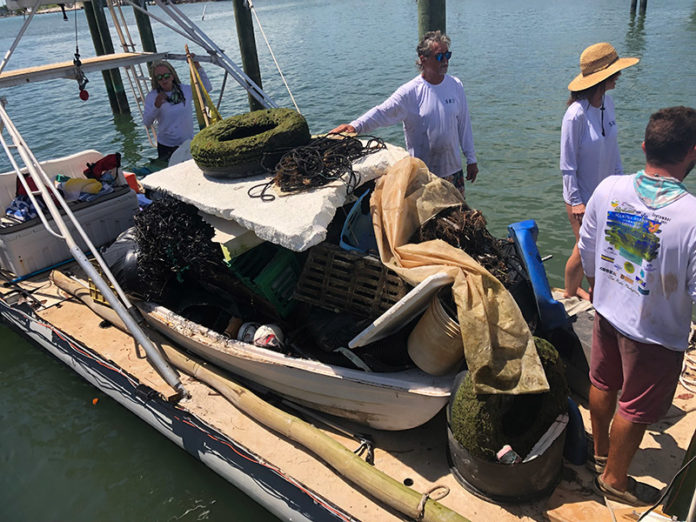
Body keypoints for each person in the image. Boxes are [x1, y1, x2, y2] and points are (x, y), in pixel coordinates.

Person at [578, 106, 696, 506]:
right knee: (636, 405)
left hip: (607, 314)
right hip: (655, 334)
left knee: (603, 382)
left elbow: (588, 250)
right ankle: (614, 478)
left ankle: (598, 453)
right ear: (692, 153)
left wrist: (604, 291)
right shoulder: (692, 216)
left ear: (645, 146)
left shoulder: (608, 189)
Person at [329, 30, 478, 195]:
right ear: (423, 59)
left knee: (459, 218)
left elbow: (464, 125)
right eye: (439, 56)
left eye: (447, 55)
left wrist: (471, 159)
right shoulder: (410, 92)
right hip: (423, 175)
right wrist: (355, 126)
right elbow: (382, 112)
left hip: (453, 171)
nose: (445, 61)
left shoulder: (456, 85)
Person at [560, 42, 639, 299]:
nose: (619, 75)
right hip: (582, 197)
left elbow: (614, 152)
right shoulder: (576, 115)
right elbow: (567, 165)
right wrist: (575, 202)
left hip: (607, 194)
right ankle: (584, 293)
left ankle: (573, 292)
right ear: (603, 77)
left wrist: (625, 186)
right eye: (615, 71)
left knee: (593, 248)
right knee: (586, 250)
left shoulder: (609, 104)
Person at [143, 59, 212, 162]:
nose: (164, 80)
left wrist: (198, 67)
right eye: (159, 77)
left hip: (187, 143)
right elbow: (147, 122)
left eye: (166, 76)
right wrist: (156, 106)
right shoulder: (152, 96)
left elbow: (207, 88)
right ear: (156, 80)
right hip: (166, 147)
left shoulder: (185, 90)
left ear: (172, 76)